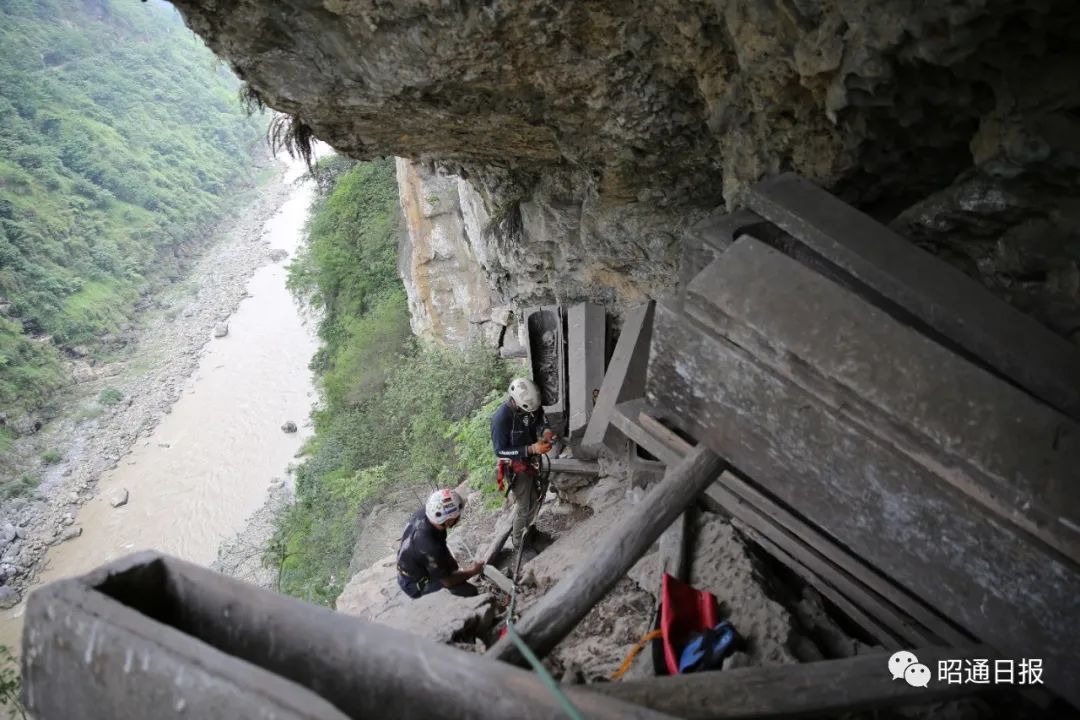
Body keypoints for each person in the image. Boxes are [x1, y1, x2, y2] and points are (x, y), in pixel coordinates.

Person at [491, 377, 555, 549]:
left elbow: (541, 417)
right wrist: (531, 449)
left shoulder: (531, 405)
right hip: (517, 466)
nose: (531, 412)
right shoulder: (501, 419)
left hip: (532, 461)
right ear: (515, 401)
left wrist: (546, 431)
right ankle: (519, 542)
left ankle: (531, 531)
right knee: (524, 504)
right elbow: (500, 450)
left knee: (536, 497)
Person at [396, 488, 483, 599]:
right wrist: (473, 571)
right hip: (415, 584)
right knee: (470, 591)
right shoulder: (430, 547)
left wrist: (451, 564)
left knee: (452, 568)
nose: (459, 517)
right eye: (457, 516)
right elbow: (448, 582)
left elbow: (440, 542)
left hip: (413, 564)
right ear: (449, 521)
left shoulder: (426, 515)